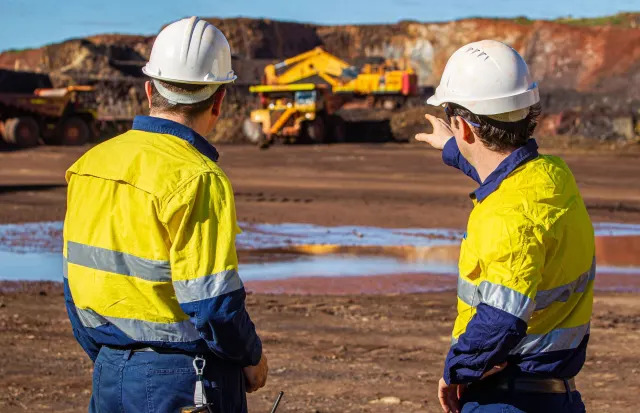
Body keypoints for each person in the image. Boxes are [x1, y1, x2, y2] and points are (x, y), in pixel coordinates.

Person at [62, 17, 268, 413]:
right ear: (219, 100)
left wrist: (113, 358)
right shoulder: (198, 177)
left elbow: (75, 289)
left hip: (110, 370)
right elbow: (212, 304)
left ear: (148, 89)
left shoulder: (90, 165)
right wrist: (251, 358)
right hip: (186, 378)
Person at [416, 40, 594, 413]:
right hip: (557, 396)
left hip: (508, 399)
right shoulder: (552, 177)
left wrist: (456, 371)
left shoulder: (507, 215)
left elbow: (501, 319)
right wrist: (452, 148)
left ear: (463, 126)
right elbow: (502, 169)